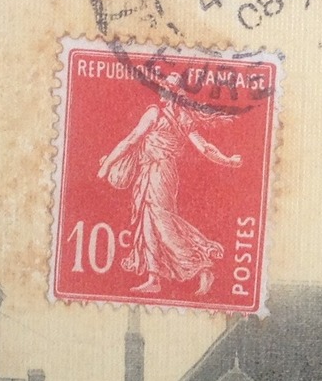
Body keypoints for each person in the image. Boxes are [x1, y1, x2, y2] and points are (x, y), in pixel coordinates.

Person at [97, 71, 242, 295]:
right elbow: (204, 148)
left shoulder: (164, 115)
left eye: (167, 90)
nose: (163, 93)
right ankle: (154, 277)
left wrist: (107, 165)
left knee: (163, 224)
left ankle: (201, 265)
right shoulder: (175, 117)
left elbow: (132, 139)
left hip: (160, 172)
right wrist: (228, 160)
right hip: (149, 171)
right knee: (148, 224)